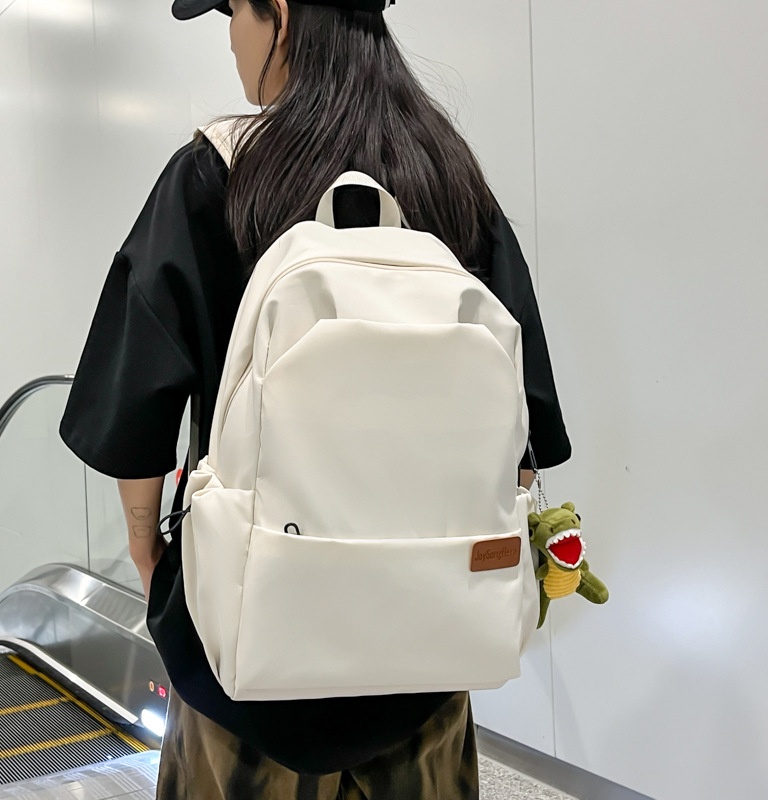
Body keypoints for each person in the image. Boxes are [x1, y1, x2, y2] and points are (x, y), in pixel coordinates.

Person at [60, 0, 571, 797]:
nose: (232, 37)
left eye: (232, 11)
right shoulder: (450, 177)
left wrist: (150, 553)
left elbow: (134, 403)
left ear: (279, 12)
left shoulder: (215, 171)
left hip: (247, 655)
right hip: (429, 643)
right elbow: (525, 422)